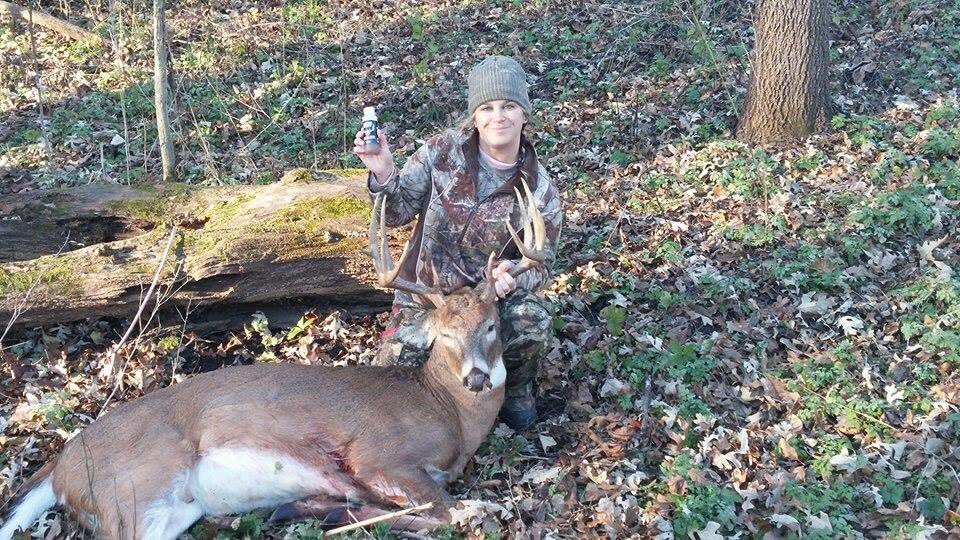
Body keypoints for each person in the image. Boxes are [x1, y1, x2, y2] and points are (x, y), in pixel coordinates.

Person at [352, 55, 562, 430]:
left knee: (531, 321)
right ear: (475, 117)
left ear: (524, 115)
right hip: (428, 301)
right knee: (388, 375)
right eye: (487, 108)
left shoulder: (540, 189)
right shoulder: (441, 153)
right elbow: (397, 212)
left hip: (486, 303)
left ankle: (514, 390)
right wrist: (383, 172)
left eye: (509, 106)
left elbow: (542, 266)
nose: (498, 117)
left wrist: (513, 273)